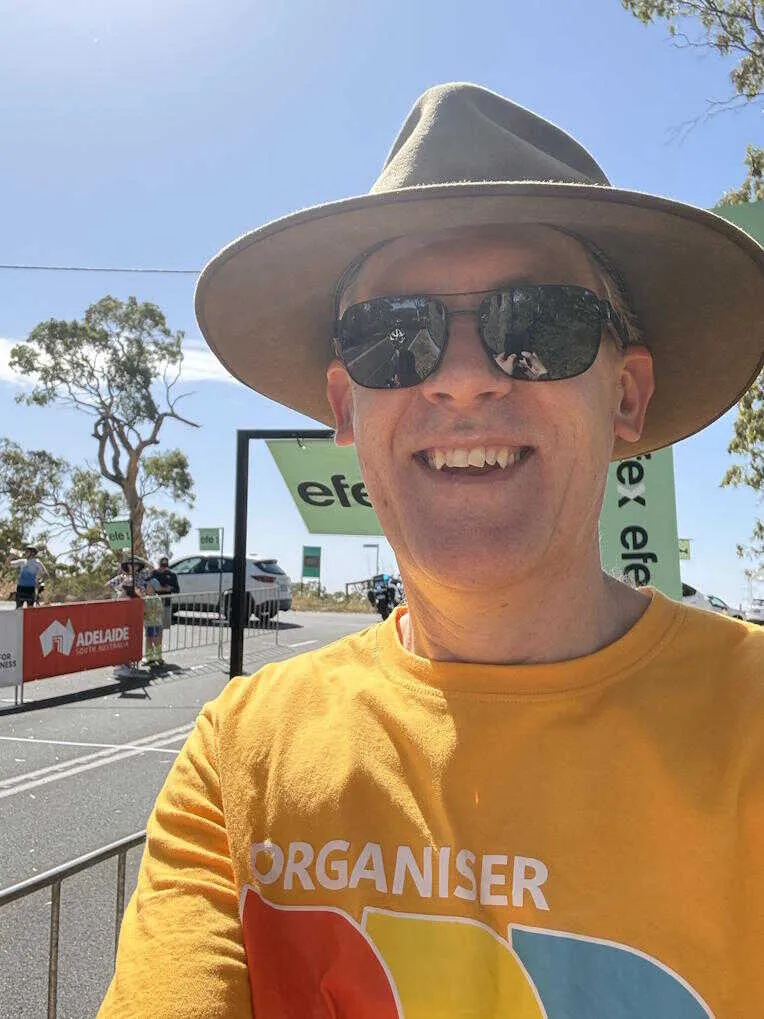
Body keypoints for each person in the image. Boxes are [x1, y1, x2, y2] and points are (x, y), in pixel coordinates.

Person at [99, 84, 763, 1017]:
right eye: (393, 335)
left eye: (537, 324)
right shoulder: (239, 758)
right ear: (345, 407)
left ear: (626, 395)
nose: (460, 378)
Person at [141, 576, 165, 668]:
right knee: (151, 639)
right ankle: (153, 656)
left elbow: (157, 610)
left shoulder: (153, 598)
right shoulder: (151, 598)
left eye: (148, 587)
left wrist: (145, 611)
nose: (146, 588)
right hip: (151, 623)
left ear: (153, 588)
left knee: (152, 640)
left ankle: (155, 656)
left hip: (153, 622)